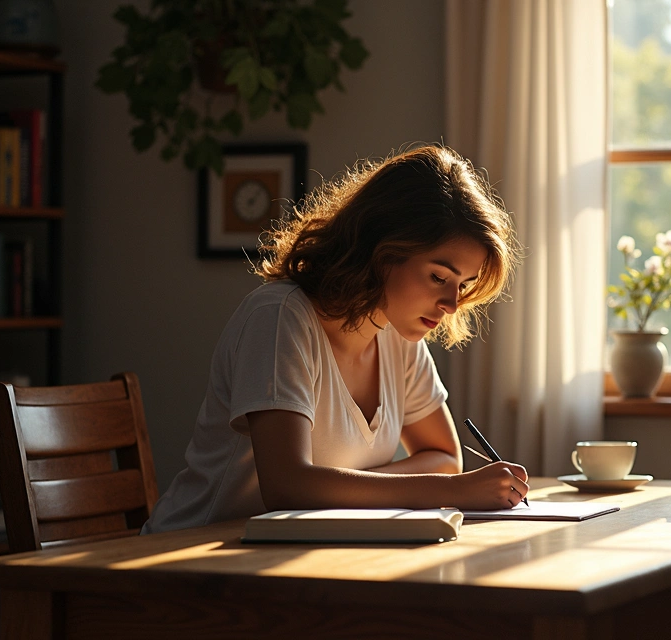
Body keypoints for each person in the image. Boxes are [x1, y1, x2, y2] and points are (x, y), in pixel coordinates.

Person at [142, 145, 528, 533]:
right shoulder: (280, 317)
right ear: (381, 251)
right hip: (189, 553)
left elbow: (444, 456)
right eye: (438, 277)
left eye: (463, 284)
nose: (451, 304)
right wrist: (452, 490)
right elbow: (287, 486)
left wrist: (343, 488)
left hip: (299, 554)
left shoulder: (399, 335)